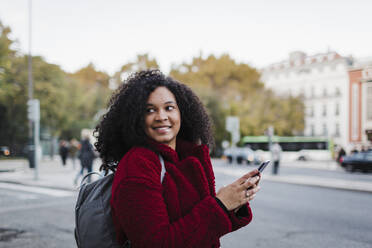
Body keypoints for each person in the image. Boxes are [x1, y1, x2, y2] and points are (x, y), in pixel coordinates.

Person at [94, 70, 261, 247]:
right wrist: (220, 204)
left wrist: (232, 201)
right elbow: (156, 243)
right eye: (150, 110)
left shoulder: (186, 157)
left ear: (182, 113)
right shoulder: (137, 165)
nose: (161, 116)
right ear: (136, 118)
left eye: (169, 107)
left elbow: (200, 228)